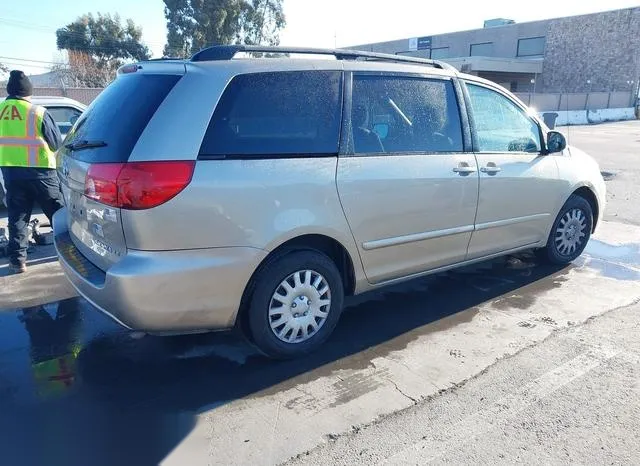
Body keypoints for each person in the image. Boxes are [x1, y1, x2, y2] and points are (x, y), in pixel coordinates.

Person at [0, 70, 63, 274]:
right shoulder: (37, 112)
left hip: (11, 172)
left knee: (17, 217)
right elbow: (55, 144)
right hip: (41, 172)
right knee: (58, 214)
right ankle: (73, 253)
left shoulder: (0, 110)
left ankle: (18, 262)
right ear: (27, 92)